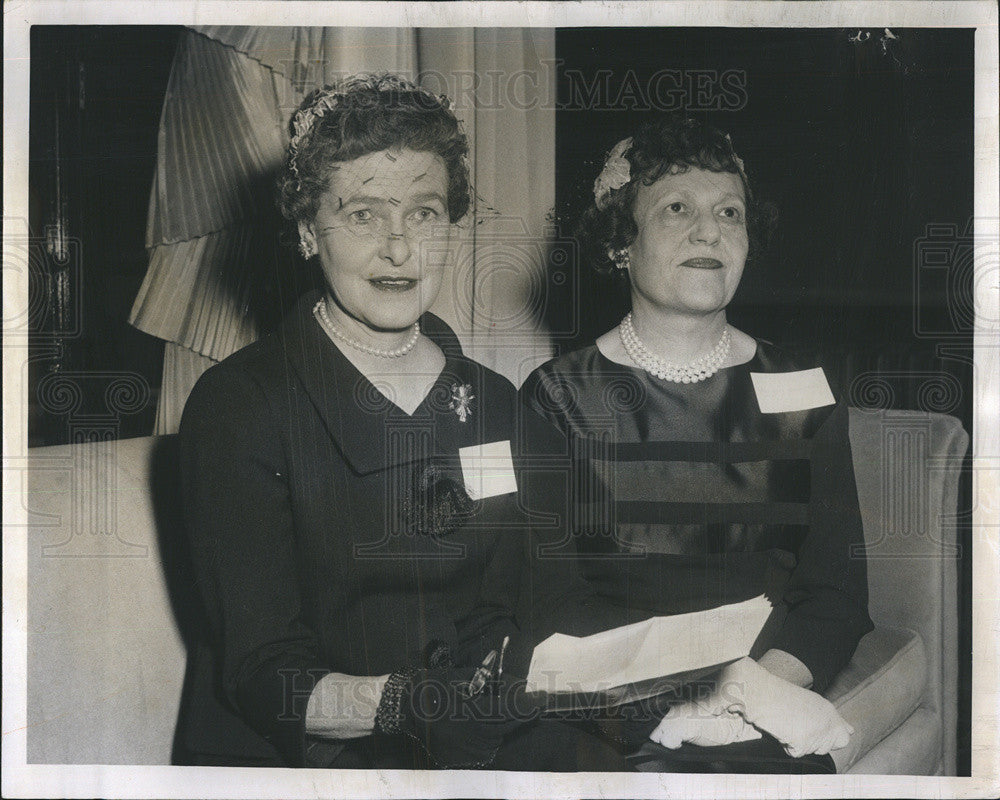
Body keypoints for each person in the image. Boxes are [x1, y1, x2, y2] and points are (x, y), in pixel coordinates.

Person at [177, 74, 635, 771]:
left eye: (423, 213)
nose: (398, 249)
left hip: (487, 729)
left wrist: (650, 667)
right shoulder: (240, 406)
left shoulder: (494, 403)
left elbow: (551, 595)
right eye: (362, 214)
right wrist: (405, 704)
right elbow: (261, 672)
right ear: (307, 229)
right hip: (324, 753)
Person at [520, 115, 874, 772]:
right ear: (620, 240)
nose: (710, 230)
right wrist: (658, 703)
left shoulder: (801, 388)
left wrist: (748, 693)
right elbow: (548, 595)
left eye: (730, 213)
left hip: (762, 691)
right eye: (677, 208)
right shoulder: (555, 396)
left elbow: (836, 589)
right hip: (607, 704)